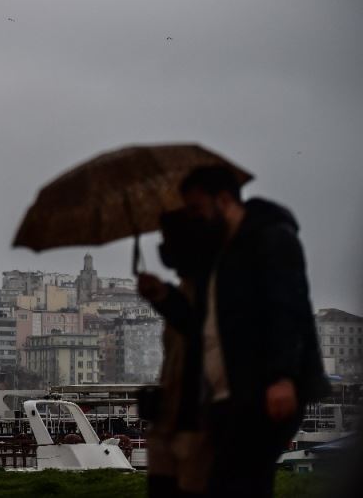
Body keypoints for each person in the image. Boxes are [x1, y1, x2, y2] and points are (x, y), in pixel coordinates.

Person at [139, 166, 330, 498]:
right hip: (230, 396)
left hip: (261, 391)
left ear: (224, 199)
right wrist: (163, 296)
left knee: (239, 483)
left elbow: (286, 308)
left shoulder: (270, 238)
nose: (195, 219)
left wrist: (282, 377)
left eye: (197, 209)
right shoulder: (223, 255)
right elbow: (202, 326)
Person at [145, 209, 216, 498]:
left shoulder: (214, 288)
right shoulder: (186, 289)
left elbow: (200, 337)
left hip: (195, 424)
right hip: (171, 426)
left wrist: (165, 299)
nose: (163, 248)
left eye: (168, 239)